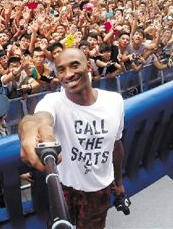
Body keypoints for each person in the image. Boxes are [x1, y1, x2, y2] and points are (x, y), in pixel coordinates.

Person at [19, 48, 126, 228]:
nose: (68, 74)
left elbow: (115, 145)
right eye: (61, 69)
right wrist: (30, 128)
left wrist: (118, 182)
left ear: (89, 67)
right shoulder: (53, 101)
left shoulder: (114, 101)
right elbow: (38, 118)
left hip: (99, 188)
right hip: (63, 188)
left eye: (74, 66)